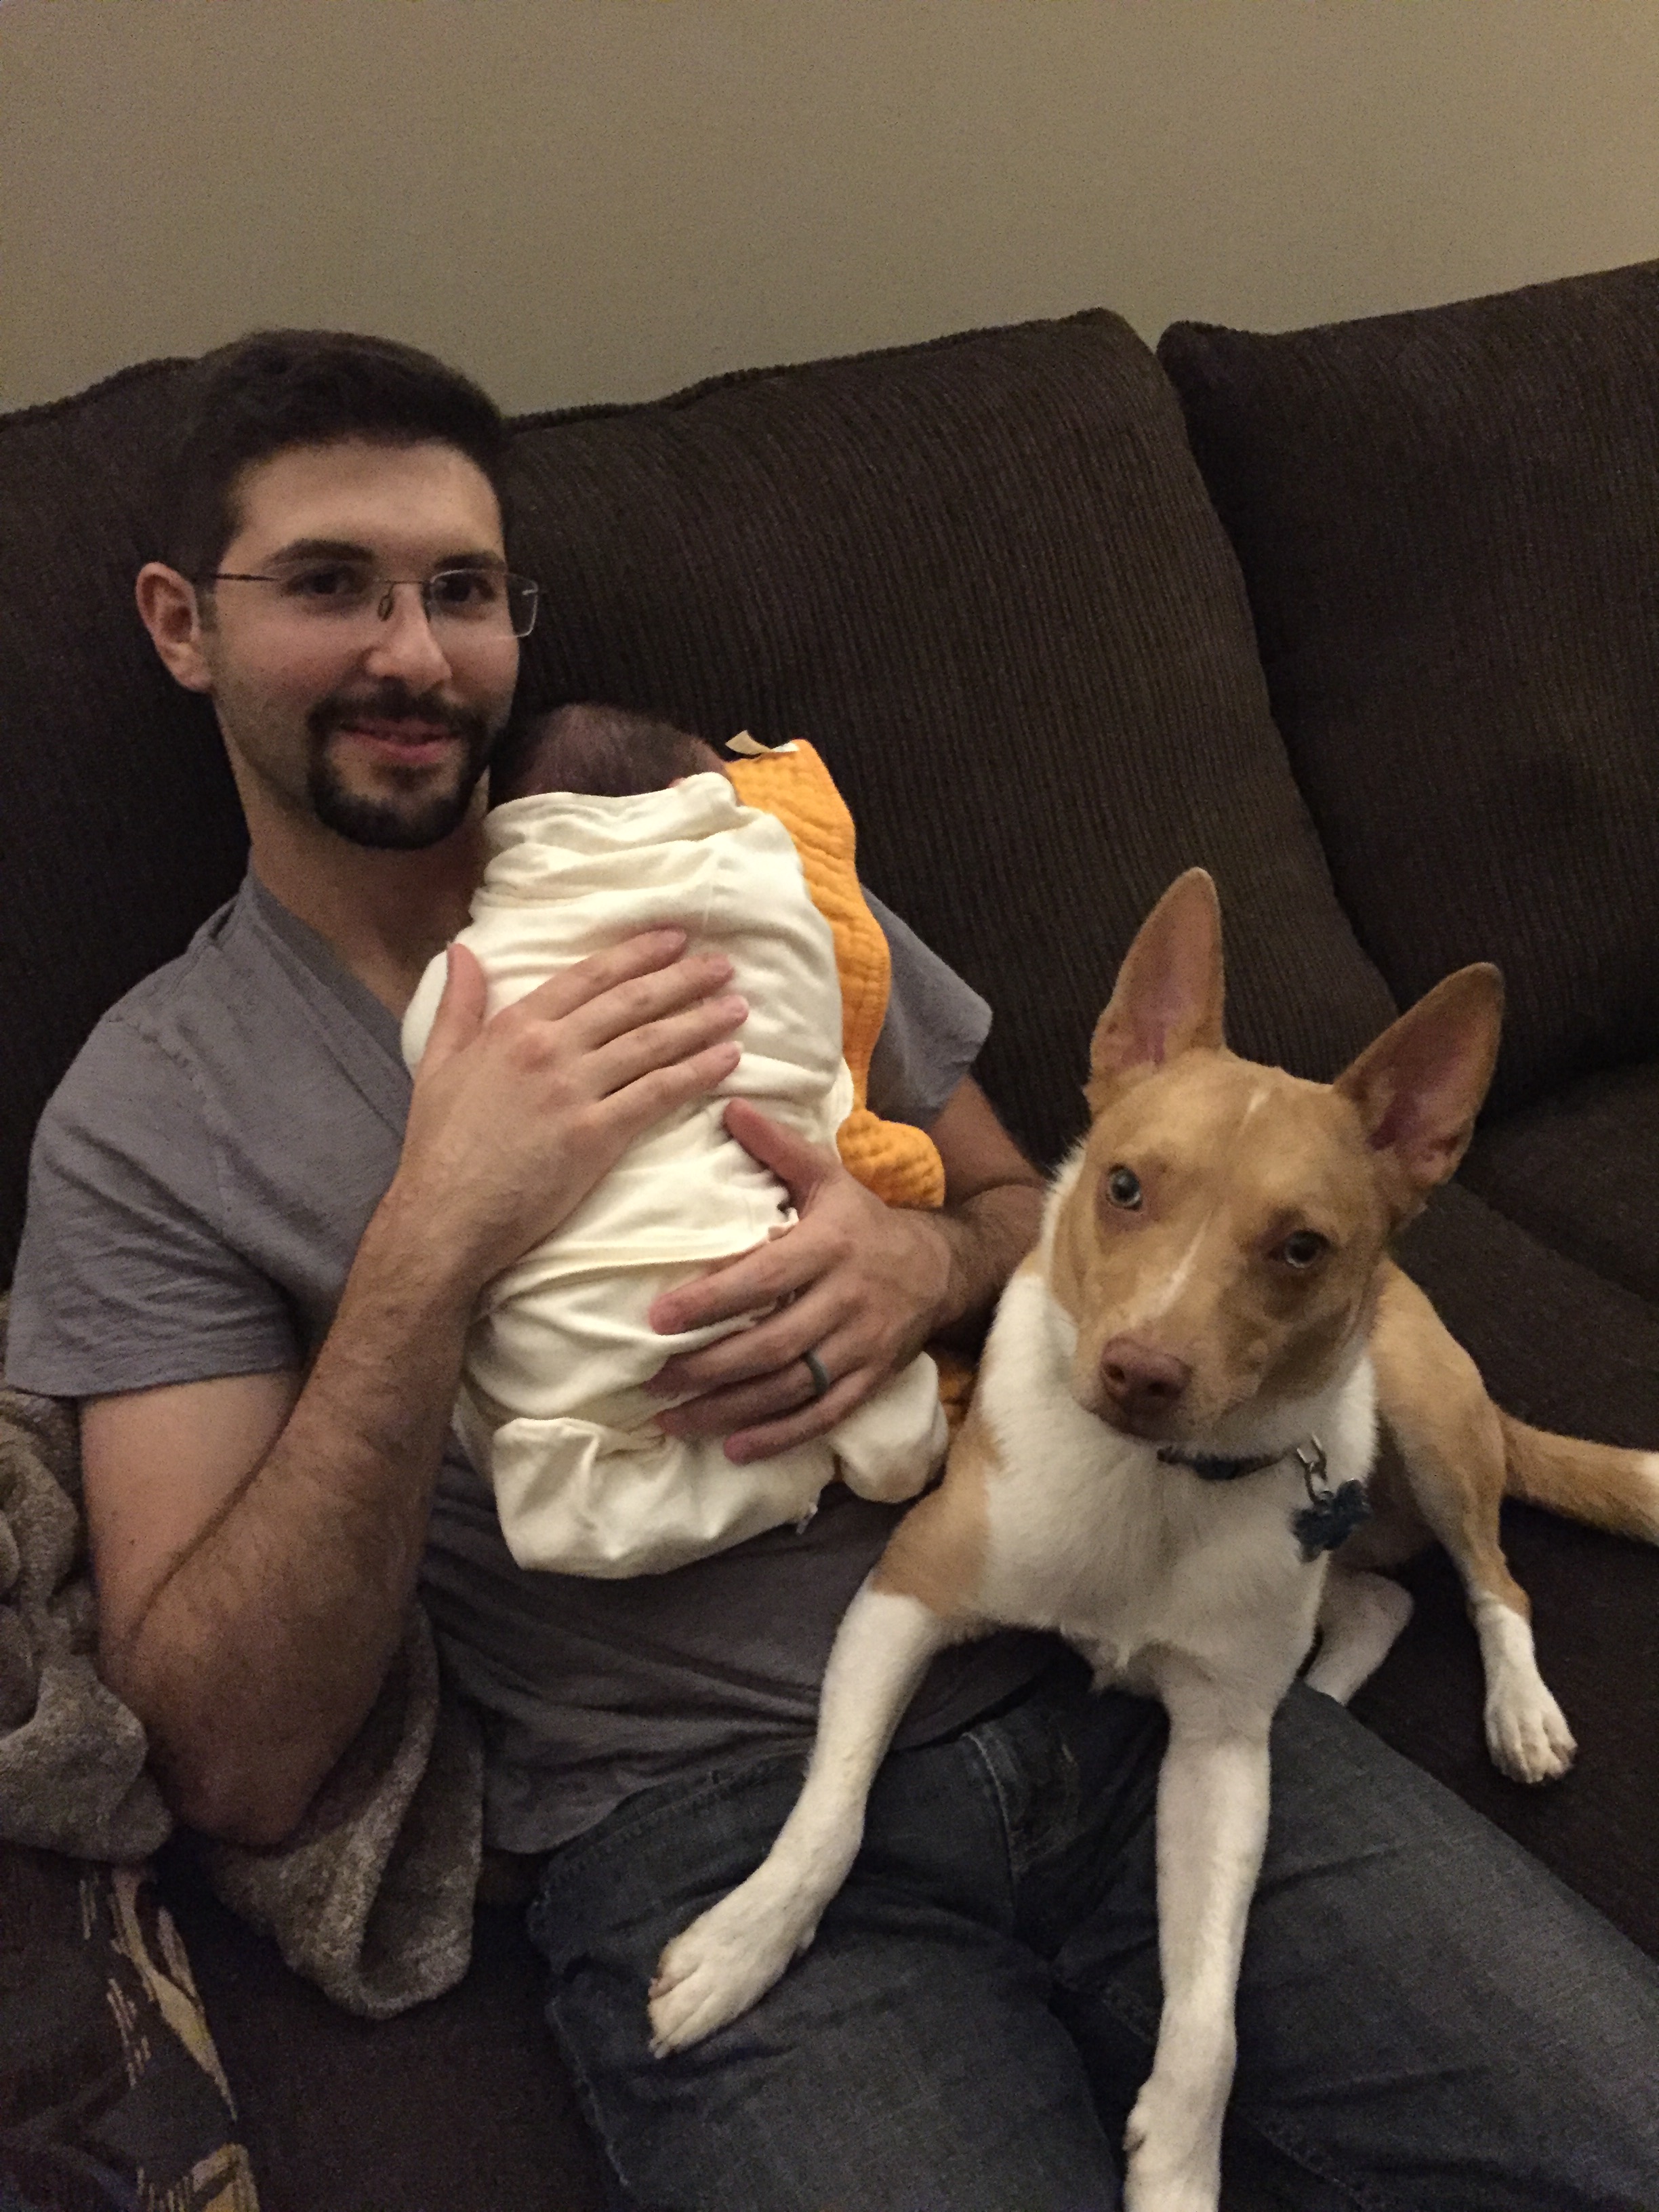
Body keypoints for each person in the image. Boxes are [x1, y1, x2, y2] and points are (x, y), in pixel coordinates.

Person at [6, 328, 1657, 2212]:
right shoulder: (150, 1115)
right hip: (693, 1811)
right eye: (328, 586)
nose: (414, 653)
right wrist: (433, 1240)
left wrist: (921, 1260)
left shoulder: (740, 865)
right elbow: (228, 1758)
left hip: (1106, 1666)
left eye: (460, 590)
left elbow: (1035, 1210)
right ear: (182, 625)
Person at [401, 701, 947, 1578]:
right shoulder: (777, 892)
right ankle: (864, 1443)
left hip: (582, 1356)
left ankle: (767, 1469)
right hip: (764, 1281)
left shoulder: (473, 961)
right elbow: (814, 1039)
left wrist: (932, 1262)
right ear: (690, 790)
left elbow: (1017, 1206)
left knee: (571, 1447)